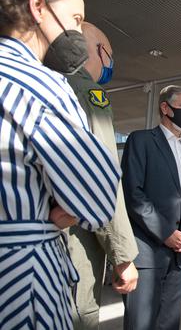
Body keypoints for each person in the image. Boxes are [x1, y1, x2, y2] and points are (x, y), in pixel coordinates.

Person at [0, 0, 121, 328]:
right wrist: (52, 213)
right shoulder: (43, 85)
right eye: (75, 17)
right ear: (38, 7)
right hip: (24, 282)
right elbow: (97, 197)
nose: (76, 31)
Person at [64, 21, 139, 330]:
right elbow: (103, 178)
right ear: (98, 51)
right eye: (109, 54)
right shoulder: (88, 93)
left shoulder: (36, 84)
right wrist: (123, 257)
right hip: (71, 244)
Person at [121, 85, 181, 330]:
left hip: (178, 256)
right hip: (147, 252)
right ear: (165, 108)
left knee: (169, 323)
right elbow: (133, 194)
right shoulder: (141, 140)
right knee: (141, 323)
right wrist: (166, 233)